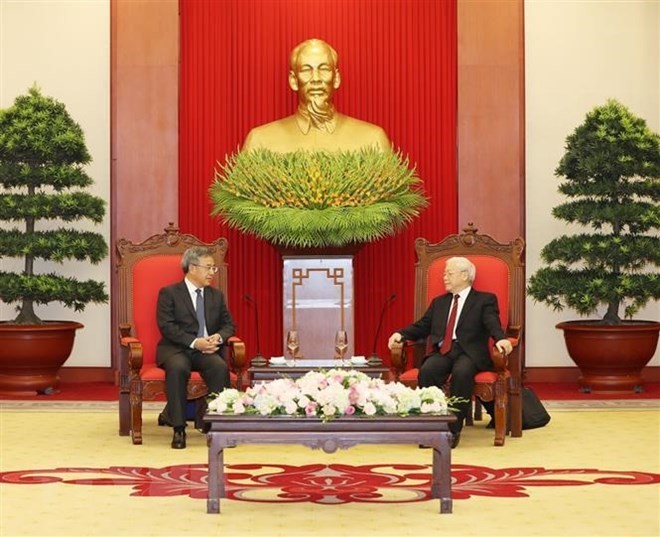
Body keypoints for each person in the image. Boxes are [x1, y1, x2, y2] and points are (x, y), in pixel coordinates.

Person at [387, 256, 512, 448]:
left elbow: (492, 322)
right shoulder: (439, 302)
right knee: (428, 370)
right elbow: (423, 326)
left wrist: (500, 339)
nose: (444, 277)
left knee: (462, 373)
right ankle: (433, 427)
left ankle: (453, 429)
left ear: (464, 275)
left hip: (469, 353)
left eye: (449, 273)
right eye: (444, 273)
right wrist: (400, 334)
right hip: (444, 351)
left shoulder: (484, 300)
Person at [242, 38, 391, 152]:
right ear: (293, 80)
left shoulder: (372, 139)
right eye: (306, 70)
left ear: (336, 78)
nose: (316, 78)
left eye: (324, 69)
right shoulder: (260, 141)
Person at [155, 246, 236, 449]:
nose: (212, 273)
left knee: (219, 367)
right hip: (177, 348)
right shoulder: (169, 293)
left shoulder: (215, 296)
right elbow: (167, 326)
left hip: (207, 350)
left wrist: (217, 338)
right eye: (208, 267)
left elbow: (229, 325)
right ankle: (179, 428)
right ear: (192, 268)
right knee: (177, 368)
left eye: (214, 268)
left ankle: (216, 426)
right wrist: (194, 342)